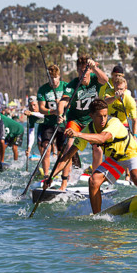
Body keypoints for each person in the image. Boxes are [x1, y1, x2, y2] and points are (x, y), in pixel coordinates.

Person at [47, 99, 137, 213]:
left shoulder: (113, 122)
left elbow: (102, 138)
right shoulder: (88, 130)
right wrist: (51, 177)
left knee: (135, 175)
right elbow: (66, 158)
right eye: (100, 116)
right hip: (115, 159)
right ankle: (98, 215)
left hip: (131, 153)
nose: (103, 120)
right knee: (93, 180)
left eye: (105, 115)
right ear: (92, 116)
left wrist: (78, 133)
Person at [56, 56, 108, 190]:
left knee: (98, 149)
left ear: (89, 70)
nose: (83, 74)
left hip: (91, 120)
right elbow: (63, 101)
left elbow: (105, 80)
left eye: (85, 71)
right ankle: (64, 182)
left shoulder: (95, 80)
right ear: (77, 71)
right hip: (75, 120)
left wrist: (95, 68)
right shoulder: (73, 84)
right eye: (80, 71)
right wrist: (61, 114)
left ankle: (96, 181)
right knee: (69, 146)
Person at [36, 65, 67, 177]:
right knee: (46, 147)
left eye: (56, 77)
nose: (53, 80)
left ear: (59, 76)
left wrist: (62, 104)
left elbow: (71, 102)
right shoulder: (43, 89)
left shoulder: (65, 86)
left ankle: (60, 173)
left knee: (62, 150)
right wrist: (53, 112)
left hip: (63, 123)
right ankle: (46, 174)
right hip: (48, 124)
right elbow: (41, 109)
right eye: (51, 77)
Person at [24, 96, 45, 162]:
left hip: (53, 126)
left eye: (34, 105)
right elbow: (31, 132)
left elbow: (43, 115)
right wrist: (29, 148)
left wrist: (32, 113)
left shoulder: (43, 108)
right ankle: (43, 164)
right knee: (39, 143)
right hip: (42, 127)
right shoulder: (31, 116)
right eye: (30, 105)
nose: (33, 107)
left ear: (38, 104)